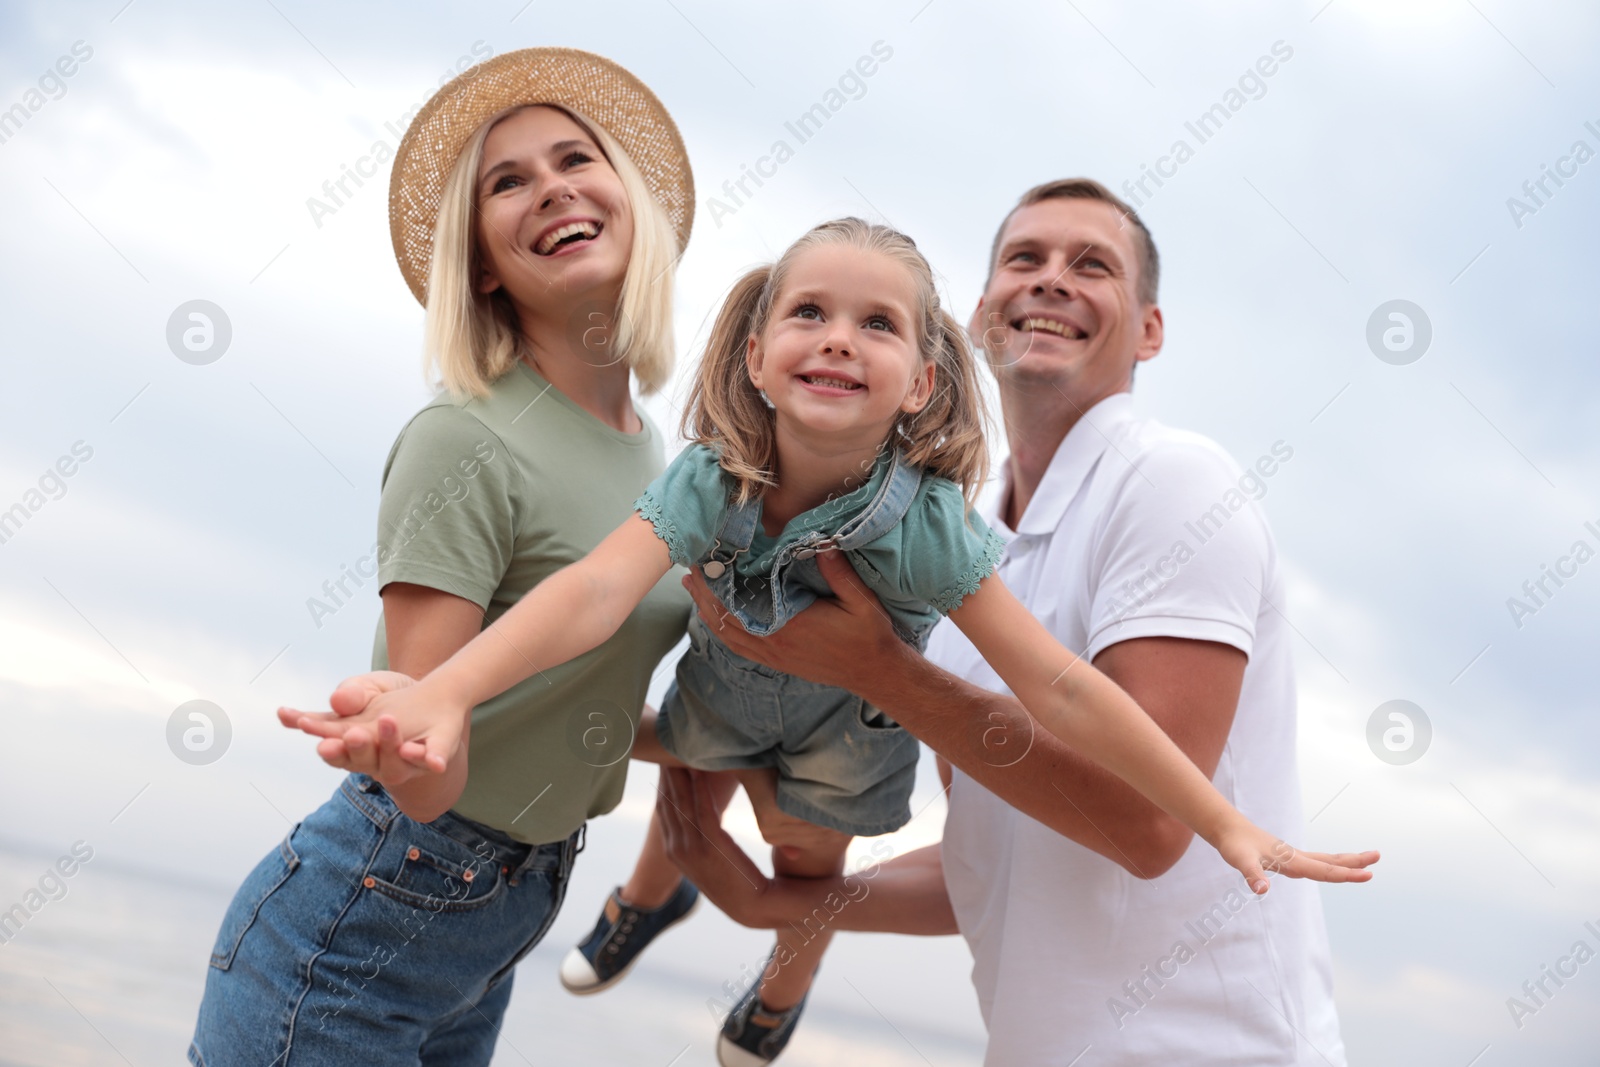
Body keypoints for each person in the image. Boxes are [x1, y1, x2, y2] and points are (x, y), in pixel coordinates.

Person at [292, 215, 1374, 1066]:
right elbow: (592, 591)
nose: (839, 338)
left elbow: (1059, 686)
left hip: (840, 739)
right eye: (809, 312)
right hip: (724, 698)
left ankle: (778, 990)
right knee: (668, 759)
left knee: (804, 865)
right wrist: (445, 691)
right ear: (758, 355)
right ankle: (640, 897)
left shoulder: (933, 528)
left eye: (877, 325)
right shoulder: (712, 478)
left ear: (922, 381)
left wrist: (1221, 818)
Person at [655, 178, 1375, 1066]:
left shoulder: (1172, 482)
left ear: (1149, 329)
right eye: (1023, 260)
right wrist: (790, 905)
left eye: (1093, 265)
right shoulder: (961, 552)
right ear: (981, 317)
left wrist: (883, 673)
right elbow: (999, 864)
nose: (1051, 280)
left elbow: (1147, 827)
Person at [190, 48, 704, 1067]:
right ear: (480, 263)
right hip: (363, 922)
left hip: (491, 927)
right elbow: (428, 753)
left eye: (573, 158)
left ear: (628, 202)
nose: (550, 186)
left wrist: (733, 745)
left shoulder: (655, 456)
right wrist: (404, 743)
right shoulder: (464, 438)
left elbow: (565, 694)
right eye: (506, 182)